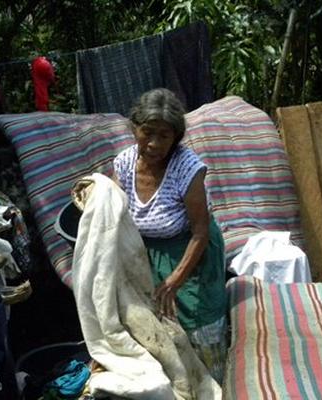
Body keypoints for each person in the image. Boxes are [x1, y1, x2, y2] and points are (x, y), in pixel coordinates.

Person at [113, 88, 227, 383]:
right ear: (134, 128)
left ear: (175, 137)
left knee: (197, 326)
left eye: (164, 136)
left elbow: (200, 231)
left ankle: (212, 385)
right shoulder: (124, 164)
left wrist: (176, 279)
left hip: (192, 250)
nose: (153, 144)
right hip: (146, 253)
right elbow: (110, 213)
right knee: (154, 330)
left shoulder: (187, 168)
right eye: (147, 132)